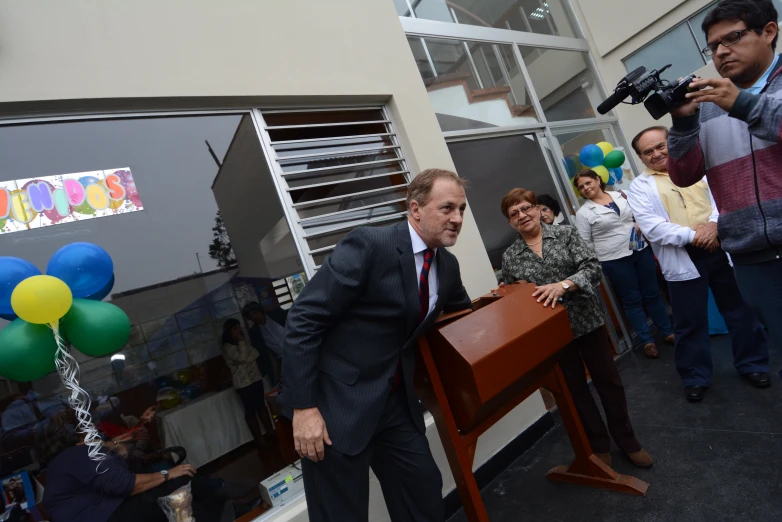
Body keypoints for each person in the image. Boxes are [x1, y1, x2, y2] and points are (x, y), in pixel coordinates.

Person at [278, 168, 473, 522]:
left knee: (424, 496)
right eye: (447, 208)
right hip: (336, 409)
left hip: (397, 406)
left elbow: (462, 318)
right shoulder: (370, 244)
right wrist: (303, 409)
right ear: (415, 209)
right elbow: (303, 320)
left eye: (462, 209)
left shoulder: (447, 265)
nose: (457, 218)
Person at [667, 0, 782, 376]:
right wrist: (684, 125)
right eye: (712, 46)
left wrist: (745, 105)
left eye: (731, 38)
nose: (720, 52)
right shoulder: (712, 105)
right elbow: (684, 175)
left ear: (769, 31)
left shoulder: (731, 99)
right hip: (751, 259)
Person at [500, 188, 652, 469]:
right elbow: (515, 296)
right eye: (514, 214)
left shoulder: (566, 234)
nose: (522, 216)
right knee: (575, 391)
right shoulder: (510, 257)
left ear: (537, 209)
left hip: (588, 321)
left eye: (526, 208)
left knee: (609, 383)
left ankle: (627, 440)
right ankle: (598, 446)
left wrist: (564, 285)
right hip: (553, 336)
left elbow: (592, 267)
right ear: (510, 223)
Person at [629, 126, 771, 402]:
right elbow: (653, 227)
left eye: (661, 145)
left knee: (740, 311)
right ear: (641, 158)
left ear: (672, 143)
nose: (657, 153)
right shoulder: (638, 187)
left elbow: (724, 200)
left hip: (722, 247)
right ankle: (695, 377)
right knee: (689, 322)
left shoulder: (701, 168)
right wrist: (697, 235)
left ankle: (753, 365)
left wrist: (715, 226)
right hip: (683, 255)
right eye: (648, 151)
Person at [37, 414, 233, 522]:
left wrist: (112, 447)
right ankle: (224, 494)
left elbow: (118, 469)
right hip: (110, 516)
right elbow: (124, 484)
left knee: (174, 485)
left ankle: (224, 499)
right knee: (176, 482)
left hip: (107, 512)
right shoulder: (76, 454)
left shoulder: (61, 464)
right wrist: (167, 474)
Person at [574, 169, 674, 358]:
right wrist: (602, 254)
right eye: (581, 187)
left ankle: (667, 332)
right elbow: (585, 243)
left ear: (598, 180)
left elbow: (640, 214)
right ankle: (647, 341)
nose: (586, 188)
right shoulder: (584, 213)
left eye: (588, 183)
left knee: (652, 293)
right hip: (614, 260)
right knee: (632, 300)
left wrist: (639, 224)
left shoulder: (621, 195)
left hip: (640, 250)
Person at [221, 318, 274, 447]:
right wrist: (242, 345)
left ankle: (270, 431)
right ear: (228, 331)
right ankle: (259, 438)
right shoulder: (227, 347)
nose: (238, 330)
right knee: (250, 410)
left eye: (238, 327)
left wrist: (244, 358)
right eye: (234, 329)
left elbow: (255, 353)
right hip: (243, 384)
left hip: (256, 378)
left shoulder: (243, 342)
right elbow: (244, 356)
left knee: (261, 405)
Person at [242, 302, 284, 386]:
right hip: (282, 359)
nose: (254, 317)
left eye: (255, 313)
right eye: (250, 316)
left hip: (298, 349)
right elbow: (261, 354)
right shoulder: (255, 332)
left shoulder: (277, 314)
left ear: (260, 311)